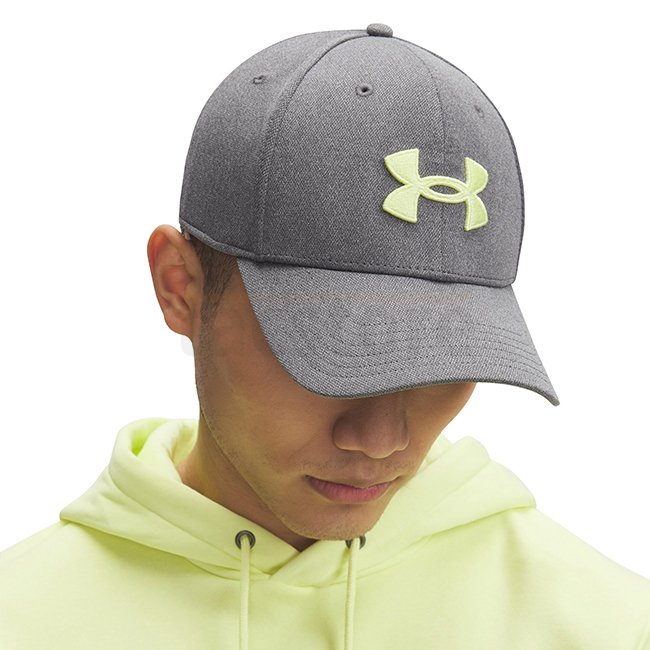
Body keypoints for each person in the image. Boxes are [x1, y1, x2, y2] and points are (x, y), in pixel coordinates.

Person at [1, 22, 649, 650]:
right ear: (179, 286)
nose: (380, 440)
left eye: (444, 362)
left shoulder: (611, 628)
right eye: (330, 354)